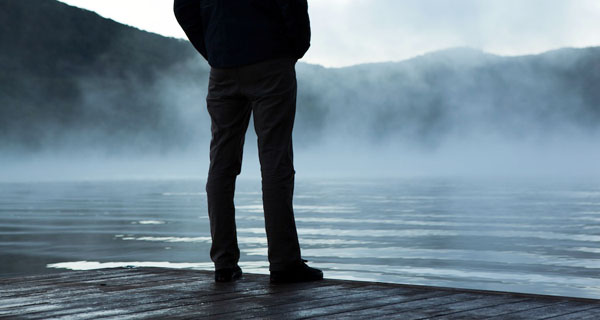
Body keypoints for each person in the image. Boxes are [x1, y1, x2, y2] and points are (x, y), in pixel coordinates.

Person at [173, 0, 323, 283]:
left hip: (223, 66)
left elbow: (183, 7)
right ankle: (283, 263)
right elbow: (293, 6)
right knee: (275, 160)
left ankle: (224, 264)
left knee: (221, 165)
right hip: (271, 60)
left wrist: (215, 50)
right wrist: (294, 48)